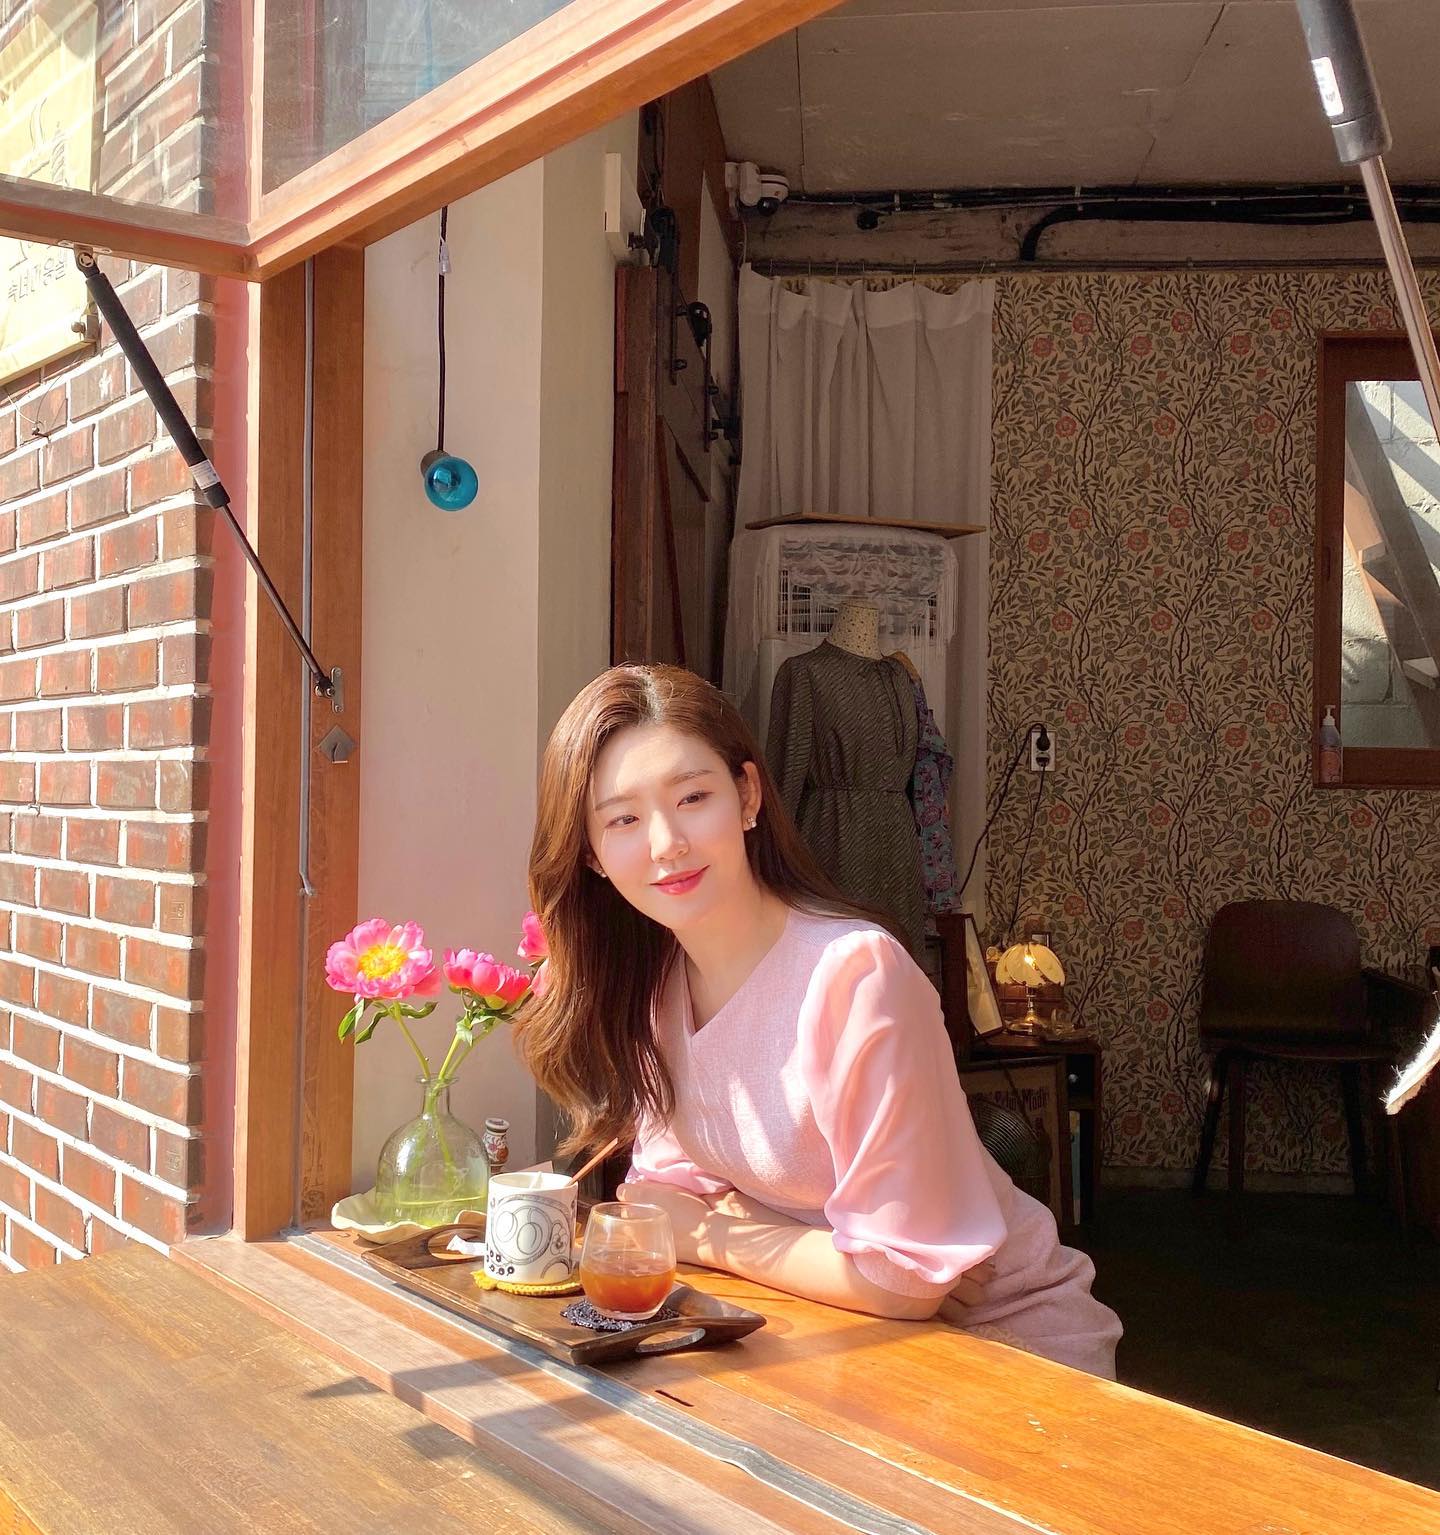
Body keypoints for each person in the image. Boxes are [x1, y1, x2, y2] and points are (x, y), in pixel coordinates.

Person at [516, 664, 1121, 1377]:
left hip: (1002, 1347)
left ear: (747, 796)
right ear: (591, 853)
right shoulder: (654, 989)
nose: (666, 842)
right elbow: (661, 1198)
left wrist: (710, 1233)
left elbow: (900, 1282)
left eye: (693, 797)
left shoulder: (855, 976)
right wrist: (821, 1252)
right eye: (623, 818)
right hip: (830, 1333)